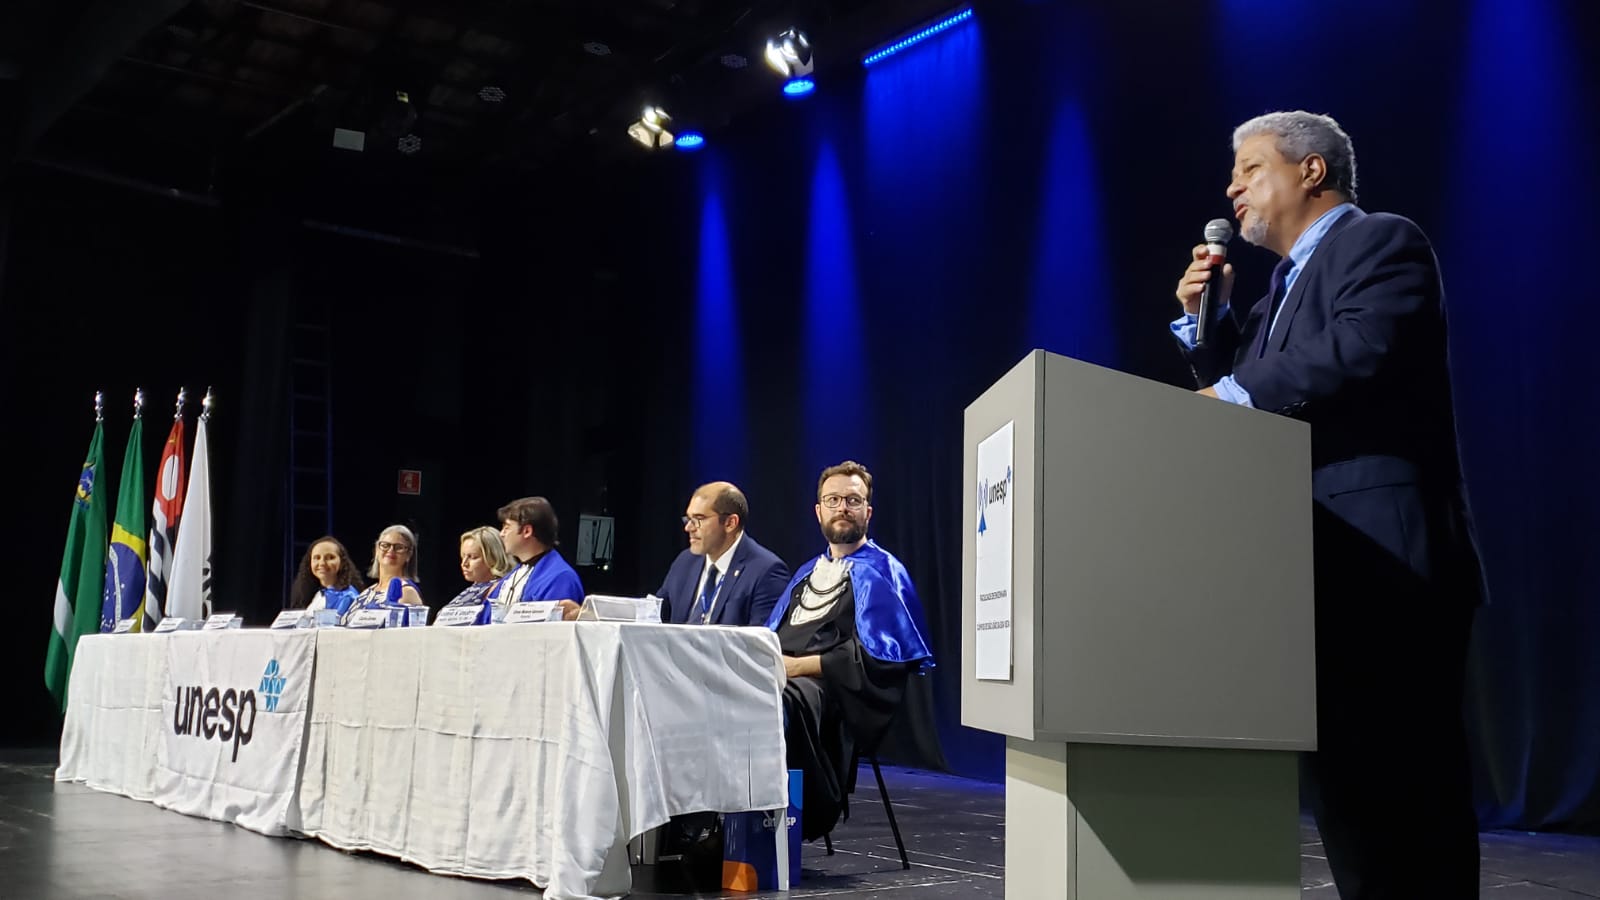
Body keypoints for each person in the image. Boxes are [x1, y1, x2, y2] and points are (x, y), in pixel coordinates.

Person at [1170, 110, 1484, 899]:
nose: (1231, 186)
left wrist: (1232, 388)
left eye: (1249, 168)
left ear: (1312, 171)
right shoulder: (1279, 285)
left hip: (1387, 561)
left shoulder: (1379, 240)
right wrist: (1208, 328)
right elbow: (1258, 391)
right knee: (1349, 802)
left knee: (1410, 799)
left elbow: (1359, 346)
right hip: (1308, 568)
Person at [767, 460, 934, 841]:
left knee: (782, 700)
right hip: (784, 676)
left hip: (838, 693)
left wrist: (798, 667)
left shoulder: (884, 570)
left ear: (868, 512)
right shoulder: (807, 573)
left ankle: (782, 825)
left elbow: (878, 660)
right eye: (834, 499)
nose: (843, 507)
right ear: (818, 510)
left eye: (853, 500)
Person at [656, 481, 790, 626]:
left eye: (699, 519)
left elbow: (759, 644)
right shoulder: (685, 562)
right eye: (688, 519)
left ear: (730, 523)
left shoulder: (767, 572)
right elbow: (655, 616)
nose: (688, 527)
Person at [487, 496, 585, 619]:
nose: (501, 534)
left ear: (527, 531)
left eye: (506, 528)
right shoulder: (511, 577)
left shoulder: (560, 578)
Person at [347, 524, 425, 621]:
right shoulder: (367, 592)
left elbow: (414, 633)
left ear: (409, 555)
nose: (391, 550)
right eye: (385, 545)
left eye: (399, 547)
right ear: (377, 550)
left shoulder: (407, 592)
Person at [441, 526, 513, 623]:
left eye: (473, 557)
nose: (464, 563)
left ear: (493, 557)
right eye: (463, 556)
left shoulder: (503, 589)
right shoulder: (472, 589)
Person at [289, 536, 364, 614]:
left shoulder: (349, 597)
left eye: (330, 557)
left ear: (342, 563)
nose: (322, 563)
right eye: (317, 558)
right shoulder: (318, 594)